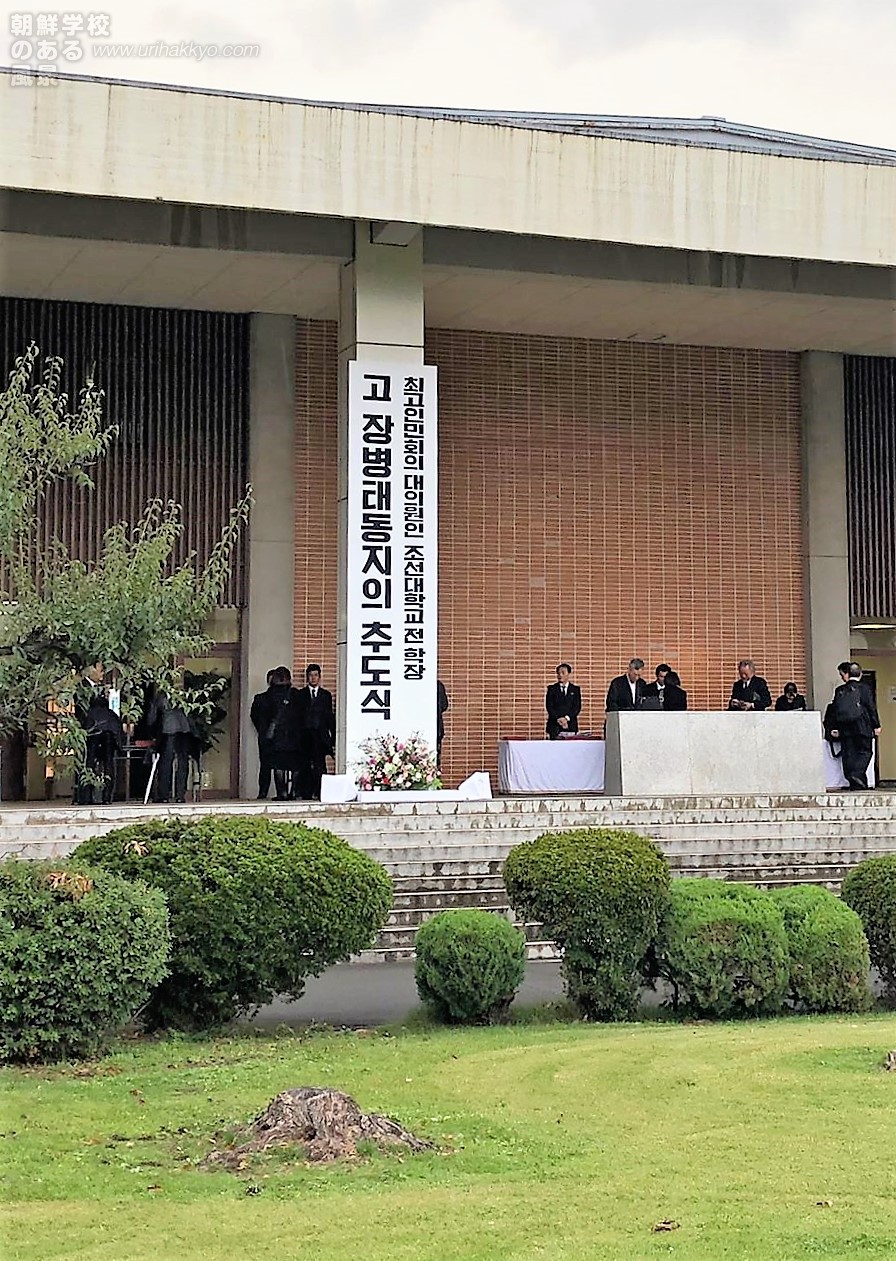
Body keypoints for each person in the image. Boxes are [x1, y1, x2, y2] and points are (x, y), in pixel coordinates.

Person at [249, 666, 301, 800]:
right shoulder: (296, 694)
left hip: (275, 738)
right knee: (295, 765)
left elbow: (257, 717)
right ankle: (294, 792)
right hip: (294, 737)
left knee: (279, 765)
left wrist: (265, 731)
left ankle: (281, 793)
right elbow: (303, 714)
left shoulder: (266, 697)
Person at [828, 663, 881, 790]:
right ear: (860, 674)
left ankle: (855, 782)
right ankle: (857, 775)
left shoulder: (839, 690)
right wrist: (876, 725)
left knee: (848, 754)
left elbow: (834, 710)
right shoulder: (864, 689)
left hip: (845, 728)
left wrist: (834, 728)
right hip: (863, 726)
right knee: (865, 752)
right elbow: (871, 708)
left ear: (847, 674)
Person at [295, 663, 336, 800]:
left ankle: (320, 792)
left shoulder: (326, 695)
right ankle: (305, 792)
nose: (313, 678)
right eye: (310, 675)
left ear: (319, 677)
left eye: (315, 675)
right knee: (305, 765)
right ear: (307, 677)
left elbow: (330, 717)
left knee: (320, 766)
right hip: (305, 736)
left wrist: (333, 738)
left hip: (320, 736)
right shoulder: (300, 695)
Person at [148, 687, 195, 804]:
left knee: (166, 763)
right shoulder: (182, 693)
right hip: (184, 729)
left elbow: (152, 717)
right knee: (182, 762)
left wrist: (152, 732)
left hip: (168, 729)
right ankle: (180, 795)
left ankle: (164, 795)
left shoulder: (161, 695)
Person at [545, 663, 582, 739]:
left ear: (568, 674)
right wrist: (559, 719)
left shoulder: (575, 689)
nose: (560, 675)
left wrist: (566, 719)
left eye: (563, 673)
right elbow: (549, 707)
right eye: (558, 673)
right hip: (554, 726)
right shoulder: (552, 689)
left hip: (570, 725)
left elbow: (576, 707)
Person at [436, 680, 449, 768]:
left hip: (437, 728)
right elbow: (445, 705)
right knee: (436, 757)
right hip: (437, 728)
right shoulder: (438, 685)